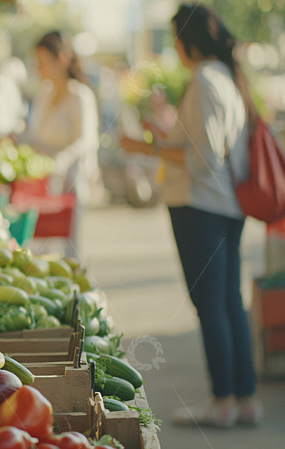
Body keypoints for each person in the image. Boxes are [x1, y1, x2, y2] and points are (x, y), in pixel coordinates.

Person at [120, 4, 261, 428]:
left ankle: (222, 402)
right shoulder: (227, 77)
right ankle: (244, 398)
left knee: (211, 306)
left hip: (200, 207)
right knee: (229, 303)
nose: (175, 48)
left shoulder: (204, 79)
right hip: (226, 207)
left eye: (175, 39)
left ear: (187, 40)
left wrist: (145, 146)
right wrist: (165, 136)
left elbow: (202, 159)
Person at [22, 31, 100, 256]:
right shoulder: (44, 93)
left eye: (43, 62)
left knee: (67, 250)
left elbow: (87, 139)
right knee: (40, 246)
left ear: (63, 58)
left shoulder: (80, 95)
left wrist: (62, 159)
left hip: (70, 181)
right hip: (42, 180)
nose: (39, 68)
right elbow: (36, 135)